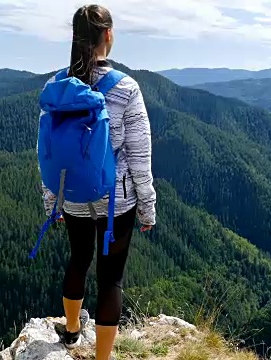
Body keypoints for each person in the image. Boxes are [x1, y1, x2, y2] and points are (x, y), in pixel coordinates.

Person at [38, 4, 157, 360]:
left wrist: (52, 203)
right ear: (108, 35)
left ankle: (72, 331)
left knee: (78, 259)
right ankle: (102, 358)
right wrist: (147, 209)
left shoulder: (56, 87)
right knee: (111, 279)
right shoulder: (126, 89)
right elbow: (139, 156)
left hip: (72, 193)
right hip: (115, 200)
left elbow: (47, 152)